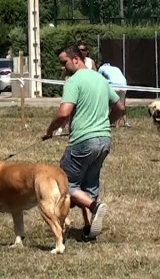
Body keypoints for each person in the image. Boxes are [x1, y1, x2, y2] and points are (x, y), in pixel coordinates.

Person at [43, 45, 125, 242]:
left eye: (65, 63)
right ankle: (89, 228)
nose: (63, 68)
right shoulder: (100, 79)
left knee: (62, 183)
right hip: (104, 140)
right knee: (88, 185)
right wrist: (108, 121)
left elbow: (64, 113)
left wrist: (49, 130)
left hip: (83, 141)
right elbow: (120, 108)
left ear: (76, 59)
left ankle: (94, 206)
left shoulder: (74, 81)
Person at [98, 62, 130, 128]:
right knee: (121, 106)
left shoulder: (102, 68)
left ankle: (105, 122)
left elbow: (97, 78)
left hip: (113, 86)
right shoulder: (116, 68)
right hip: (124, 86)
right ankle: (118, 125)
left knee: (109, 105)